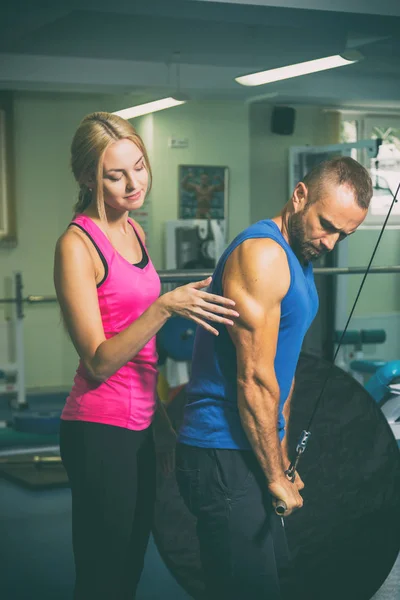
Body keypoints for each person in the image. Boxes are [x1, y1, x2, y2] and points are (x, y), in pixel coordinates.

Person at [53, 111, 239, 600]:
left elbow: (139, 351)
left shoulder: (133, 229)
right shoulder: (76, 245)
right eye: (115, 175)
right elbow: (97, 360)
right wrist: (165, 307)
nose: (134, 183)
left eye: (139, 166)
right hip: (98, 429)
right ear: (85, 178)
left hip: (139, 426)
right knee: (102, 576)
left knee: (130, 568)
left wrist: (157, 418)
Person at [176, 156, 373, 599]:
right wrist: (273, 475)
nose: (331, 242)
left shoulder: (299, 259)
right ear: (299, 195)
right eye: (326, 224)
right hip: (222, 452)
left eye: (345, 234)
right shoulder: (263, 254)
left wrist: (280, 459)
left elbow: (283, 372)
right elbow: (254, 380)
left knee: (273, 582)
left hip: (250, 449)